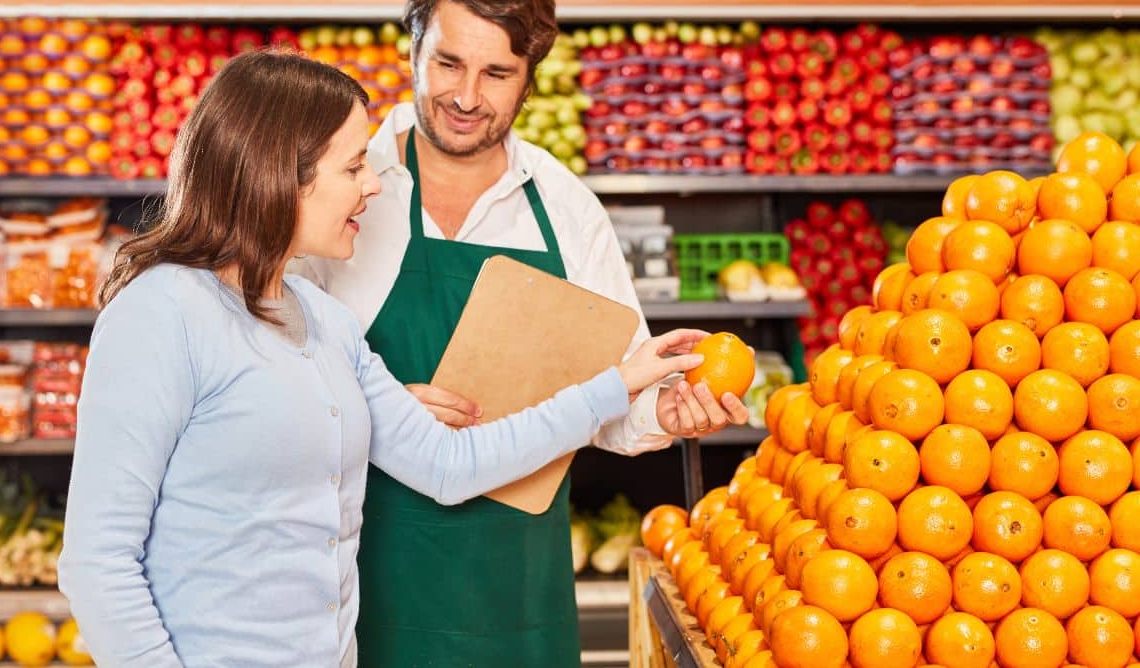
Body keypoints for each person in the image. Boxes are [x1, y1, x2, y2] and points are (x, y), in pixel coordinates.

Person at [56, 50, 708, 667]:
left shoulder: (323, 321)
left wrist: (617, 384)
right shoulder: (161, 314)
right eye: (351, 167)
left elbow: (453, 463)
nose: (372, 185)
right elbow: (98, 560)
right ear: (278, 174)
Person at [291, 0, 751, 667]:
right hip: (359, 585)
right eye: (447, 63)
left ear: (529, 80)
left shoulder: (566, 207)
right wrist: (373, 410)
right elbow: (277, 388)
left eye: (497, 73)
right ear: (411, 49)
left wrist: (657, 413)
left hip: (517, 596)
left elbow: (615, 389)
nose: (467, 95)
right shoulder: (343, 190)